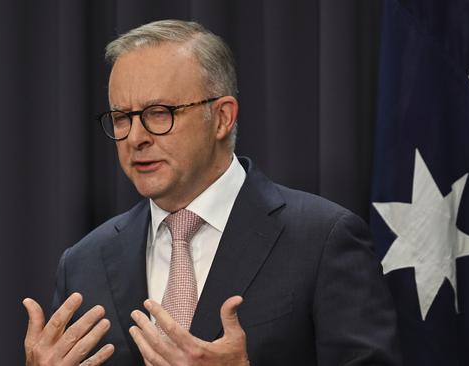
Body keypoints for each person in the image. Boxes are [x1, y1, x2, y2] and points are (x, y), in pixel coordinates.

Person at [22, 20, 402, 366]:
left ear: (221, 117)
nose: (136, 138)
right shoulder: (84, 263)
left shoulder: (323, 239)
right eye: (122, 118)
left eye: (159, 113)